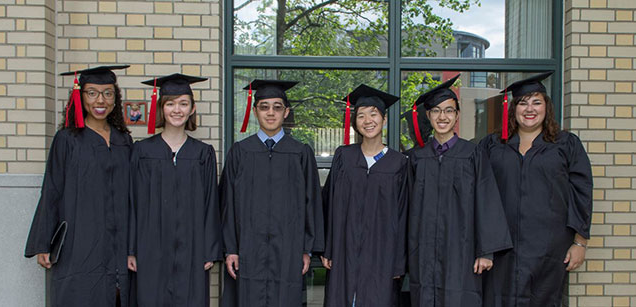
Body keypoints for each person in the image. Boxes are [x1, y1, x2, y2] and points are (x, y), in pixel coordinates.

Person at [478, 71, 593, 307]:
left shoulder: (565, 144)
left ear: (546, 107)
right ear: (513, 109)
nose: (529, 109)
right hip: (502, 248)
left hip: (549, 248)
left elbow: (582, 192)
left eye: (536, 102)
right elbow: (479, 193)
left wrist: (580, 242)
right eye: (523, 103)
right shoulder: (492, 145)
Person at [24, 65, 133, 306]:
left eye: (107, 93)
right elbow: (52, 189)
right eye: (92, 93)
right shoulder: (67, 139)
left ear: (116, 98)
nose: (100, 100)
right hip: (80, 237)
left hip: (119, 237)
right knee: (80, 293)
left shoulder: (123, 140)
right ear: (79, 97)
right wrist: (43, 242)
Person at [406, 74, 513, 307]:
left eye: (448, 111)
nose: (442, 116)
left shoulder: (472, 154)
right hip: (422, 251)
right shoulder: (416, 158)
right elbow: (405, 208)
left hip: (461, 249)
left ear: (456, 115)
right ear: (428, 116)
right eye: (436, 111)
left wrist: (486, 251)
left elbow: (487, 201)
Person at [220, 79, 324, 307]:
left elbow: (311, 203)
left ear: (286, 112)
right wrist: (231, 249)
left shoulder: (300, 153)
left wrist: (306, 249)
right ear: (255, 111)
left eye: (277, 107)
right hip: (247, 250)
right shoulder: (240, 152)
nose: (270, 113)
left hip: (288, 249)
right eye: (264, 107)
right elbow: (227, 204)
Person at [127, 74, 222, 306]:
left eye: (183, 103)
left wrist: (209, 249)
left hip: (192, 248)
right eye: (170, 103)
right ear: (161, 108)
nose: (176, 110)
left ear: (192, 109)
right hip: (150, 247)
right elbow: (132, 201)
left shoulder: (203, 153)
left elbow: (211, 203)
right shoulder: (142, 151)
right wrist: (131, 249)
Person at [321, 84, 410, 307]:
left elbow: (403, 214)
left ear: (384, 120)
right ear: (355, 122)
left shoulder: (399, 163)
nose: (368, 120)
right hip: (345, 249)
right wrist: (329, 248)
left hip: (382, 253)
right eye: (361, 115)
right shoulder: (344, 156)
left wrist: (398, 262)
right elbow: (329, 203)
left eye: (374, 114)